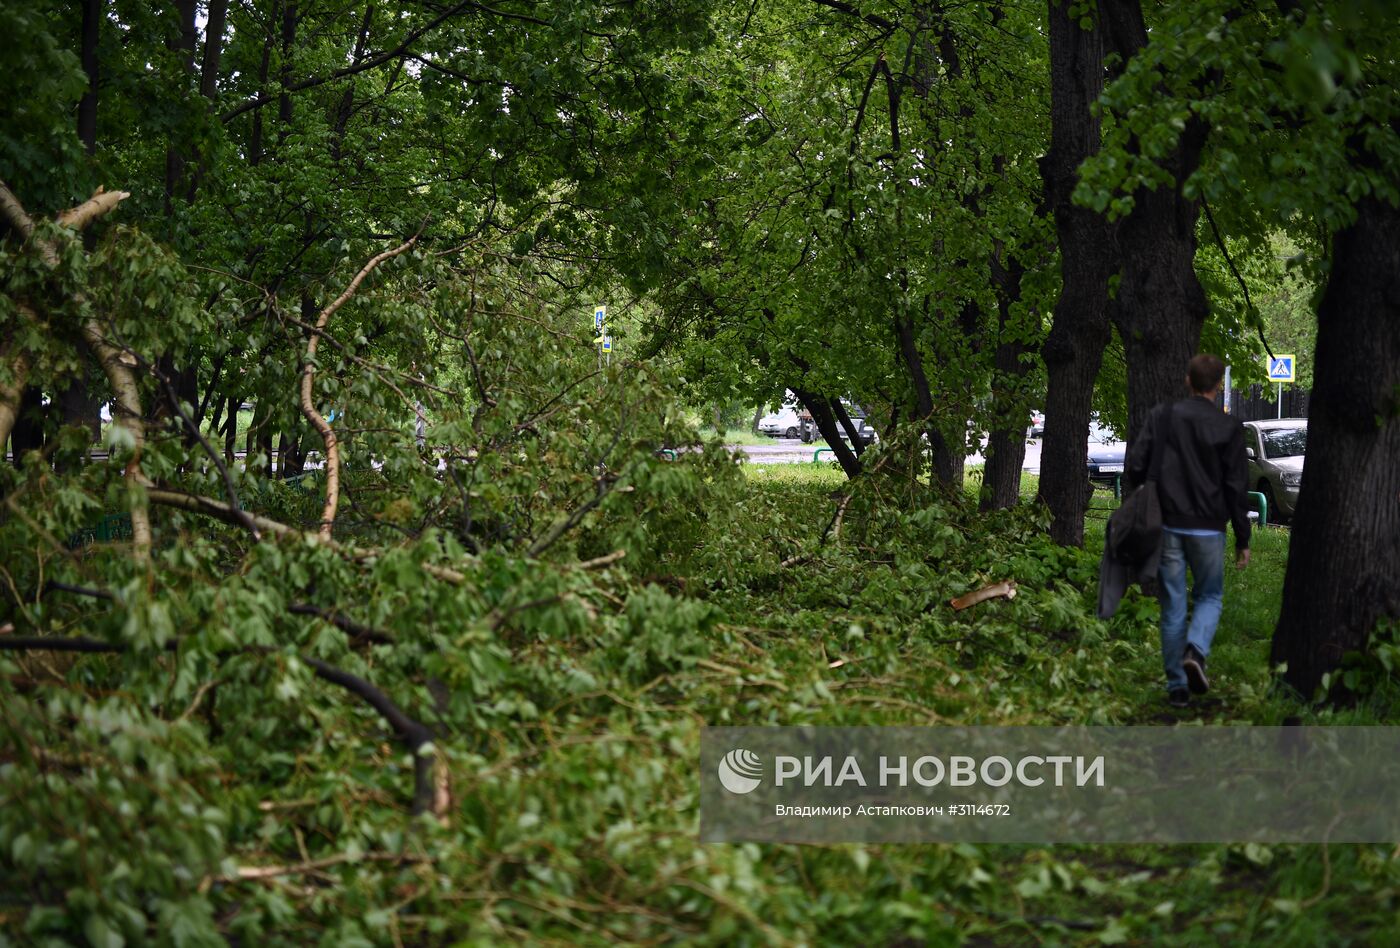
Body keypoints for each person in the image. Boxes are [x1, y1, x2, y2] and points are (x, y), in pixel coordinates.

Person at [1125, 354, 1251, 708]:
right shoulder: (1229, 428)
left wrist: (1143, 494)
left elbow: (1136, 465)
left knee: (1173, 604)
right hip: (1210, 529)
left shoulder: (1163, 417)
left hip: (1168, 524)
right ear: (1217, 386)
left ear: (1188, 381)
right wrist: (1243, 538)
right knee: (1209, 596)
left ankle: (1177, 688)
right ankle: (1196, 650)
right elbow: (1236, 487)